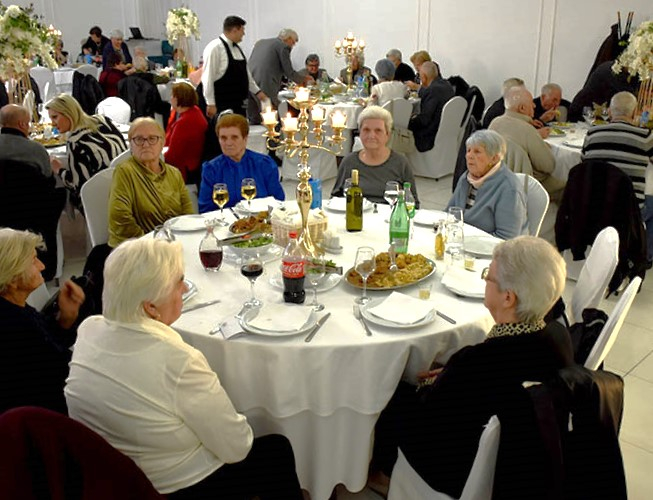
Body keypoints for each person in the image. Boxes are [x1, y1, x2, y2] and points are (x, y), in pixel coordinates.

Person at [65, 238, 303, 499]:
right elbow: (238, 447)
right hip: (169, 486)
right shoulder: (177, 359)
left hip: (110, 473)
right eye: (179, 282)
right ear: (150, 307)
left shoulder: (89, 329)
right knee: (277, 450)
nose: (184, 288)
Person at [371, 236, 573, 498]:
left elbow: (430, 416)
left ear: (508, 298)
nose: (485, 279)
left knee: (391, 392)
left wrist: (434, 382)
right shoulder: (558, 335)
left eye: (489, 275)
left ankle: (383, 474)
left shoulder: (480, 361)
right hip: (523, 461)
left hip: (456, 470)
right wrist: (450, 374)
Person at [0, 228, 85, 415]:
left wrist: (65, 318)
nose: (41, 266)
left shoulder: (16, 307)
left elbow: (49, 340)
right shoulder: (15, 330)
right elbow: (62, 372)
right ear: (12, 278)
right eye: (33, 261)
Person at [581, 91, 653, 265]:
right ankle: (644, 257)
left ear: (610, 112)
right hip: (628, 209)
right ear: (634, 113)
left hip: (593, 203)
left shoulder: (592, 133)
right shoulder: (645, 137)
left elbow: (583, 162)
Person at [108, 118, 193, 247]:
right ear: (131, 144)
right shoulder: (125, 171)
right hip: (137, 248)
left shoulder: (174, 173)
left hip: (174, 245)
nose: (146, 144)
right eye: (139, 139)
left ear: (162, 143)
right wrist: (153, 244)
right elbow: (120, 218)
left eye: (152, 138)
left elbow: (187, 213)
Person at [46, 94, 127, 210]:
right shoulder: (103, 120)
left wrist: (59, 170)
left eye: (55, 117)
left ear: (69, 113)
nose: (53, 124)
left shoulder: (76, 142)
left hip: (101, 201)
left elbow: (76, 184)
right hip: (125, 187)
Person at [489, 86, 566, 202]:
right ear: (522, 108)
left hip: (495, 183)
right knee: (570, 186)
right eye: (532, 103)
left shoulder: (494, 123)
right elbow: (549, 166)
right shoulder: (528, 130)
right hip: (527, 185)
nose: (535, 105)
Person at [331, 106, 419, 206]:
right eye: (366, 130)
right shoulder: (349, 162)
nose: (371, 135)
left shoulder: (400, 163)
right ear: (360, 133)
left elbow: (413, 203)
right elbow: (335, 199)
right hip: (355, 217)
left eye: (378, 130)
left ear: (387, 135)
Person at [447, 130, 528, 239]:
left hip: (494, 251)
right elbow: (449, 213)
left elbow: (507, 238)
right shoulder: (466, 178)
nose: (469, 156)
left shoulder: (509, 189)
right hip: (460, 242)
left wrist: (467, 242)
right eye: (468, 150)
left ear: (494, 158)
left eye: (477, 151)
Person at [199, 113, 285, 212]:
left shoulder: (264, 164)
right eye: (223, 138)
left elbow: (279, 202)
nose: (228, 143)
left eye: (234, 137)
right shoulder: (211, 169)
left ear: (245, 139)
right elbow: (205, 210)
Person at [201, 16, 267, 118]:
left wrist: (258, 92)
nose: (244, 34)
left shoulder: (238, 49)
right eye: (242, 30)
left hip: (239, 105)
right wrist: (210, 103)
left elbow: (246, 76)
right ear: (235, 30)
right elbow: (208, 77)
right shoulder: (215, 48)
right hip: (222, 104)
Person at [250, 28, 311, 108]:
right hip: (266, 85)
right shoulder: (283, 46)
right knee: (270, 114)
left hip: (250, 83)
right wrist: (304, 79)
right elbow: (289, 72)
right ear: (288, 38)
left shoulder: (260, 42)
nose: (292, 46)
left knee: (253, 117)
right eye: (293, 43)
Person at [165, 82, 208, 184]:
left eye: (172, 96)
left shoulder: (184, 122)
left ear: (178, 98)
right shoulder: (195, 111)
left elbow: (172, 156)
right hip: (192, 164)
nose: (170, 99)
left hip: (185, 169)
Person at [408, 61, 454, 152]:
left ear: (424, 77)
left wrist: (408, 122)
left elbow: (424, 120)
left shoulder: (432, 91)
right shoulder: (447, 85)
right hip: (446, 134)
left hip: (430, 137)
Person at [0, 103, 54, 177]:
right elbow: (49, 179)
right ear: (21, 124)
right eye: (28, 123)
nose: (29, 127)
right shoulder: (36, 150)